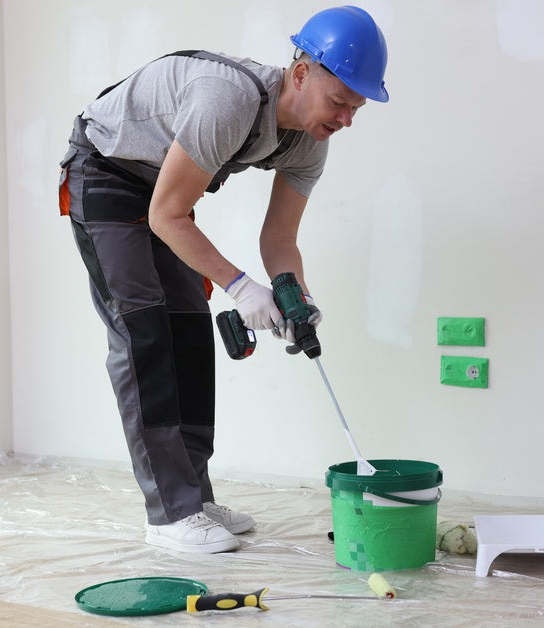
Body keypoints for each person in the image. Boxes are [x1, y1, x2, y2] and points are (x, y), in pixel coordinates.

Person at [57, 6, 389, 554]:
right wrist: (240, 286)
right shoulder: (226, 100)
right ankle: (169, 514)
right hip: (108, 171)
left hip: (162, 191)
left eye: (356, 109)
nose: (346, 119)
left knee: (189, 326)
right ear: (301, 73)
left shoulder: (310, 140)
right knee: (144, 335)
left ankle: (193, 498)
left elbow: (279, 240)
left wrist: (295, 297)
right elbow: (168, 215)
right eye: (339, 102)